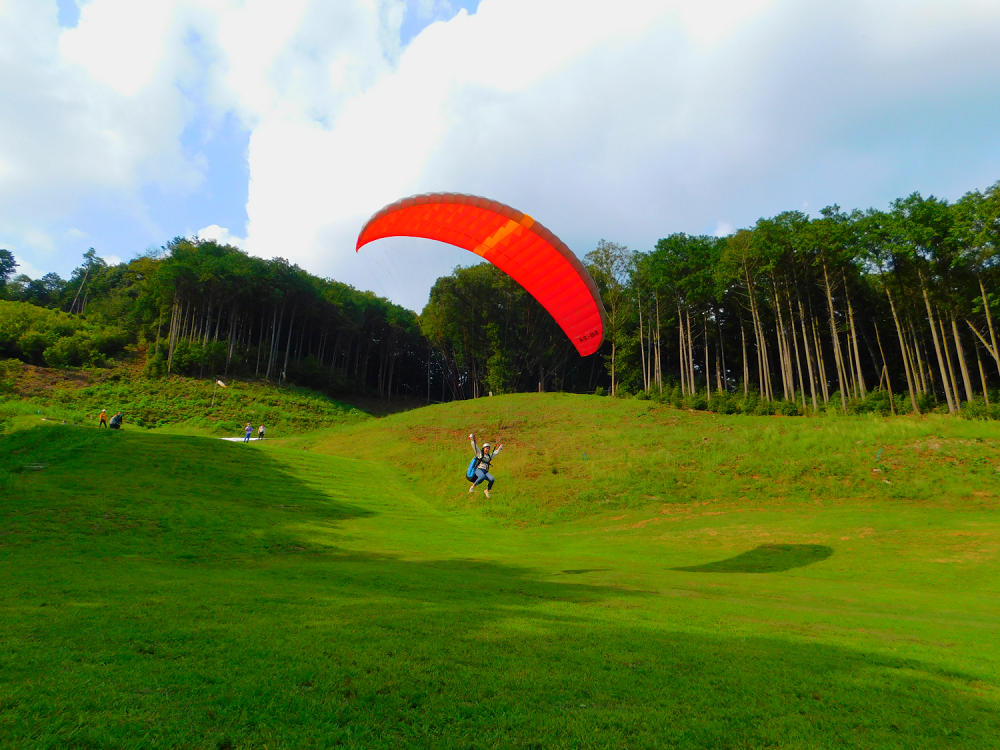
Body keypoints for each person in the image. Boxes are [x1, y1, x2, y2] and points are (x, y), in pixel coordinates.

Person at [468, 433, 504, 499]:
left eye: (488, 449)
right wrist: (472, 440)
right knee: (482, 476)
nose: (487, 450)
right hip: (478, 469)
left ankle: (487, 490)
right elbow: (474, 446)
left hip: (485, 471)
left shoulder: (489, 456)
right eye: (486, 448)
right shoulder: (480, 453)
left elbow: (495, 453)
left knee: (492, 479)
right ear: (483, 448)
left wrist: (499, 448)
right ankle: (472, 487)